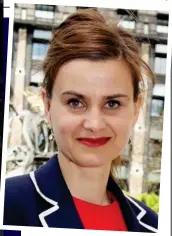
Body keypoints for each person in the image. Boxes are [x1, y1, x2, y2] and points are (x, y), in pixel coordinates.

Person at [4, 9, 158, 232]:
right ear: (48, 106)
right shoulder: (8, 205)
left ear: (136, 108)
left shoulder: (153, 225)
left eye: (112, 103)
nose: (94, 124)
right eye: (76, 102)